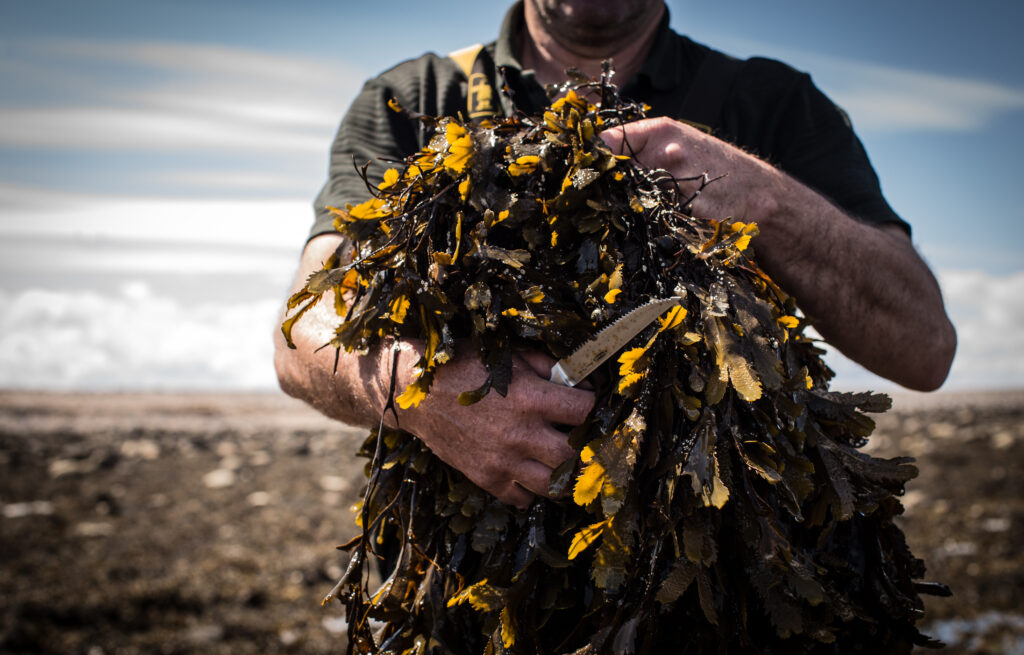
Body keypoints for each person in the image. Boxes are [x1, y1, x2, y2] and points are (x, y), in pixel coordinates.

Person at [274, 0, 956, 509]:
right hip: (457, 608)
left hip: (727, 589)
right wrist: (415, 389)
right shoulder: (415, 99)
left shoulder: (773, 106)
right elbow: (300, 334)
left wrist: (771, 200)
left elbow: (924, 348)